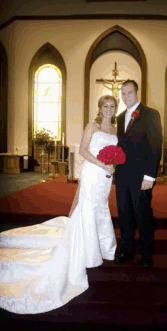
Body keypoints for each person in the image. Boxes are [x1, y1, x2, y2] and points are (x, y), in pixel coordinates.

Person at [0, 95, 118, 314]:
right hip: (94, 172)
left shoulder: (114, 131)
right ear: (100, 108)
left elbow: (116, 155)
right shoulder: (91, 126)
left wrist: (111, 166)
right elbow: (83, 151)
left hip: (106, 177)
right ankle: (89, 250)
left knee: (101, 208)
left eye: (112, 106)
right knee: (89, 207)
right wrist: (102, 164)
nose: (109, 109)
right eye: (105, 106)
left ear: (115, 109)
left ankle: (103, 247)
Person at [114, 80, 163, 268]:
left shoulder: (150, 114)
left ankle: (146, 253)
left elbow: (155, 145)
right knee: (124, 213)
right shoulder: (119, 118)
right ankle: (127, 249)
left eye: (130, 92)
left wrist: (150, 175)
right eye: (124, 93)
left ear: (137, 92)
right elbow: (120, 146)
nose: (127, 96)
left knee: (142, 214)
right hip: (122, 174)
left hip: (142, 176)